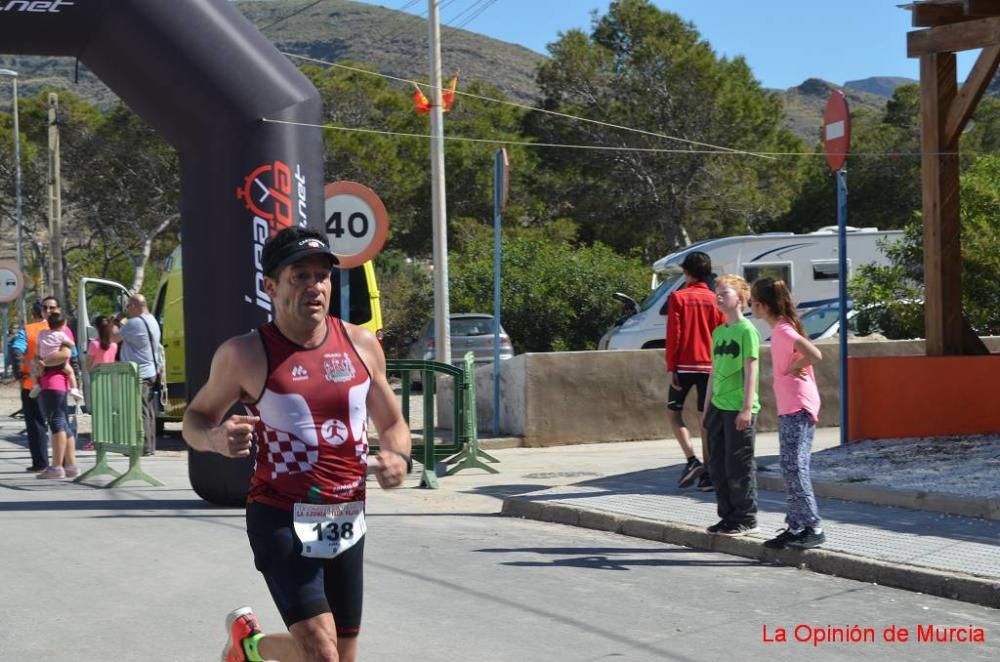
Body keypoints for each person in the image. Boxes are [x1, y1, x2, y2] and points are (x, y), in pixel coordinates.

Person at [182, 226, 412, 662]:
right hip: (280, 515)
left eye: (322, 275)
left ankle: (249, 648)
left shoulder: (361, 345)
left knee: (340, 655)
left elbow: (394, 422)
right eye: (299, 276)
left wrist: (396, 455)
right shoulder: (245, 354)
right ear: (270, 286)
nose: (315, 286)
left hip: (346, 516)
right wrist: (214, 437)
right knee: (322, 652)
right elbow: (195, 418)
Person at [751, 278, 826, 549]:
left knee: (795, 467)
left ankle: (812, 527)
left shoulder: (783, 330)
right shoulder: (782, 328)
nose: (750, 306)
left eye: (751, 301)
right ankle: (796, 526)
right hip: (792, 407)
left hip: (798, 407)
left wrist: (795, 368)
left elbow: (815, 354)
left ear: (761, 305)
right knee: (790, 467)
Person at [702, 274, 761, 536]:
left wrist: (747, 408)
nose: (719, 297)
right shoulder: (718, 332)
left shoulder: (747, 330)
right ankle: (726, 516)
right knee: (718, 465)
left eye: (725, 293)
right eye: (718, 293)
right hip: (718, 406)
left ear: (740, 298)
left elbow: (751, 370)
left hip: (738, 406)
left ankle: (745, 518)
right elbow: (714, 371)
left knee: (738, 465)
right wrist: (706, 408)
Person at [664, 251, 725, 491]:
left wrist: (672, 367)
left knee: (673, 413)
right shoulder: (714, 300)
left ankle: (691, 460)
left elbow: (674, 336)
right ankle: (708, 474)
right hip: (710, 366)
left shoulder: (678, 298)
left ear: (686, 272)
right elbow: (720, 335)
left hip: (684, 365)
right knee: (705, 420)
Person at [111, 294, 161, 455]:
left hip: (139, 372)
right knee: (148, 410)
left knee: (140, 411)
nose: (127, 310)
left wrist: (116, 320)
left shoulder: (134, 323)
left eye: (128, 307)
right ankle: (150, 445)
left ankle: (143, 447)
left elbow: (113, 338)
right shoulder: (151, 320)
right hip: (151, 370)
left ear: (134, 306)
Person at [34, 310, 80, 479]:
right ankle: (70, 465)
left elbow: (65, 355)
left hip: (53, 381)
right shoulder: (60, 334)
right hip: (54, 381)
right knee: (63, 423)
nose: (47, 311)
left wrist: (43, 363)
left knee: (56, 422)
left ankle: (56, 467)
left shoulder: (48, 334)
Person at [10, 301, 53, 471]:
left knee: (36, 423)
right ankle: (65, 462)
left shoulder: (27, 331)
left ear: (33, 314)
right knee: (59, 422)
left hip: (32, 384)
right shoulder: (58, 329)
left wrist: (20, 373)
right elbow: (73, 355)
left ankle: (41, 462)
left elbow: (16, 350)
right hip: (56, 383)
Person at [83, 315, 120, 450]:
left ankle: (96, 439)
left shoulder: (93, 344)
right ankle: (110, 438)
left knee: (98, 412)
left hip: (98, 380)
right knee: (110, 410)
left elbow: (88, 365)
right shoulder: (114, 345)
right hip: (111, 380)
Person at [30, 311, 83, 404]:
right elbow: (72, 344)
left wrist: (39, 357)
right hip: (59, 363)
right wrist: (66, 344)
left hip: (42, 361)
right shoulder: (61, 335)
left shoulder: (42, 333)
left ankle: (36, 385)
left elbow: (37, 347)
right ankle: (74, 389)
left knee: (34, 372)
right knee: (70, 372)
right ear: (62, 325)